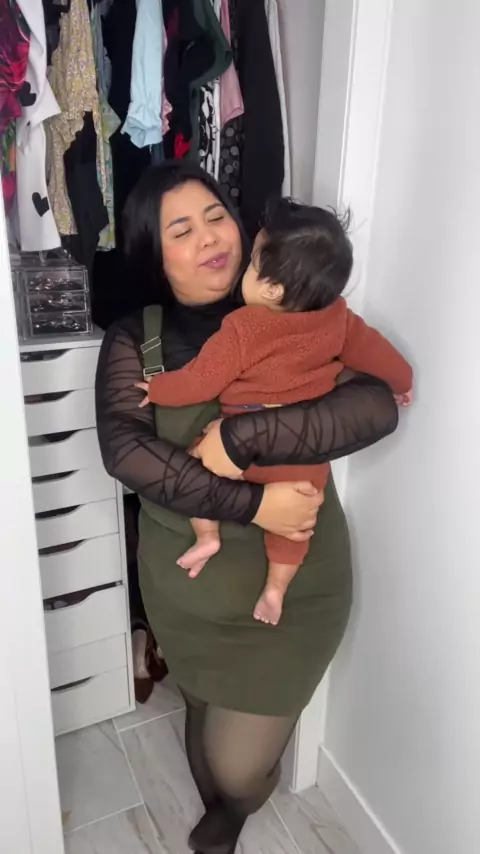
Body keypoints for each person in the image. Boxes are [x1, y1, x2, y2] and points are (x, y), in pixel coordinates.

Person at [95, 161, 401, 854]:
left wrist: (242, 437)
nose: (209, 237)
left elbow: (375, 406)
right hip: (184, 590)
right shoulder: (136, 339)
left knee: (237, 769)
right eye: (181, 230)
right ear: (153, 253)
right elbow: (126, 451)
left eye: (216, 217)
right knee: (202, 718)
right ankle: (222, 807)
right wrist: (254, 503)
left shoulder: (300, 311)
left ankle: (234, 805)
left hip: (292, 588)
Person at [135, 198, 413, 626]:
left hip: (241, 448)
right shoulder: (338, 320)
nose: (245, 269)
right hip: (303, 453)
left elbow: (200, 381)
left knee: (198, 468)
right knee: (298, 525)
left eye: (252, 265)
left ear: (271, 290)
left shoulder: (245, 327)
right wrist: (402, 382)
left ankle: (207, 536)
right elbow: (379, 355)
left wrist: (157, 389)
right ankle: (276, 589)